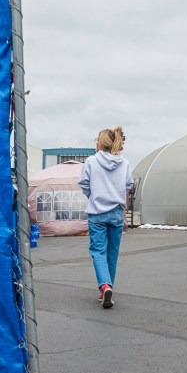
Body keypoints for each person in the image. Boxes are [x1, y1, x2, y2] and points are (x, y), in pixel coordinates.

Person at [78, 126, 134, 309]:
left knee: (98, 251)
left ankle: (104, 285)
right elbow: (128, 187)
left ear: (101, 143)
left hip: (97, 213)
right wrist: (124, 214)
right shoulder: (124, 163)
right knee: (112, 253)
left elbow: (84, 184)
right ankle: (107, 289)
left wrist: (93, 196)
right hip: (117, 212)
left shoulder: (91, 161)